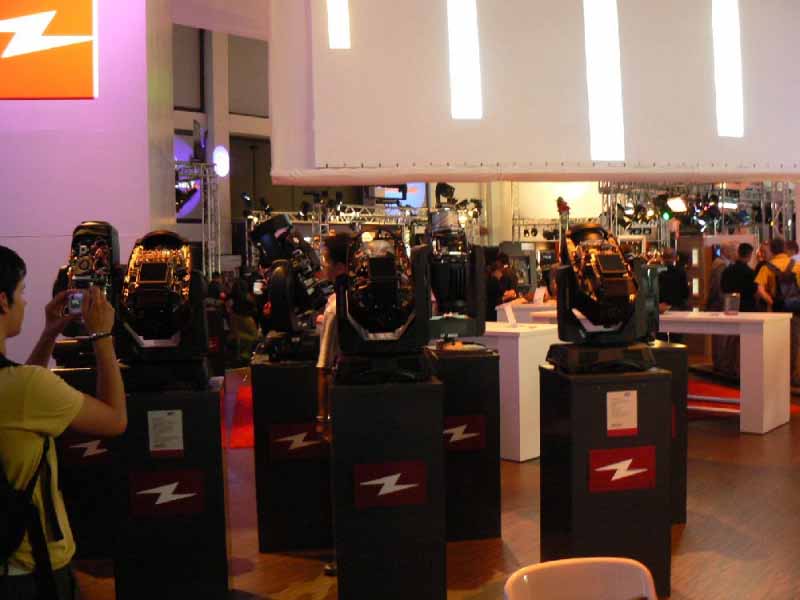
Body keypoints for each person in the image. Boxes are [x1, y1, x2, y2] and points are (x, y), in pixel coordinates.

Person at [0, 246, 126, 599]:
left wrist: (48, 335)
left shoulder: (21, 388)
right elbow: (115, 419)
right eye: (22, 291)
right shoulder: (28, 388)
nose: (26, 302)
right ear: (3, 301)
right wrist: (103, 337)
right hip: (32, 568)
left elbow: (23, 396)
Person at [314, 232, 350, 578]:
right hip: (366, 402)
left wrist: (322, 416)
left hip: (342, 402)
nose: (322, 266)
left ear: (339, 265)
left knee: (344, 482)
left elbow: (324, 366)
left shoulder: (336, 305)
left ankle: (343, 555)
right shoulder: (359, 297)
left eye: (325, 259)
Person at [754, 238, 800, 388]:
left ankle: (777, 375)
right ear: (785, 249)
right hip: (795, 310)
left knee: (775, 344)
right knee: (794, 343)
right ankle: (793, 375)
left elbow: (760, 290)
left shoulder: (766, 267)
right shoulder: (796, 265)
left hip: (775, 313)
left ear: (772, 250)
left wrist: (771, 301)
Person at [721, 243, 757, 312]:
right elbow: (754, 290)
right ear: (749, 255)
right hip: (748, 307)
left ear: (738, 253)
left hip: (731, 306)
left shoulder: (727, 270)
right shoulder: (750, 272)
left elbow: (723, 288)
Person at [486, 253, 518, 321]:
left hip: (499, 308)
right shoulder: (510, 272)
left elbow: (504, 291)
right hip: (504, 307)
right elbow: (513, 292)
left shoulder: (503, 273)